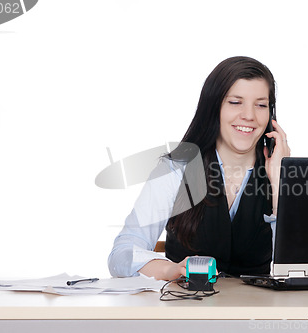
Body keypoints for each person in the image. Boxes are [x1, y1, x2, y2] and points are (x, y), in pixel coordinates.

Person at [108, 56, 290, 281]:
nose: (250, 115)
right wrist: (170, 270)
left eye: (261, 105)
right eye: (235, 102)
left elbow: (303, 264)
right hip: (186, 309)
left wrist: (280, 182)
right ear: (213, 107)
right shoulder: (176, 169)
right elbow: (121, 255)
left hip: (257, 312)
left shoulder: (281, 174)